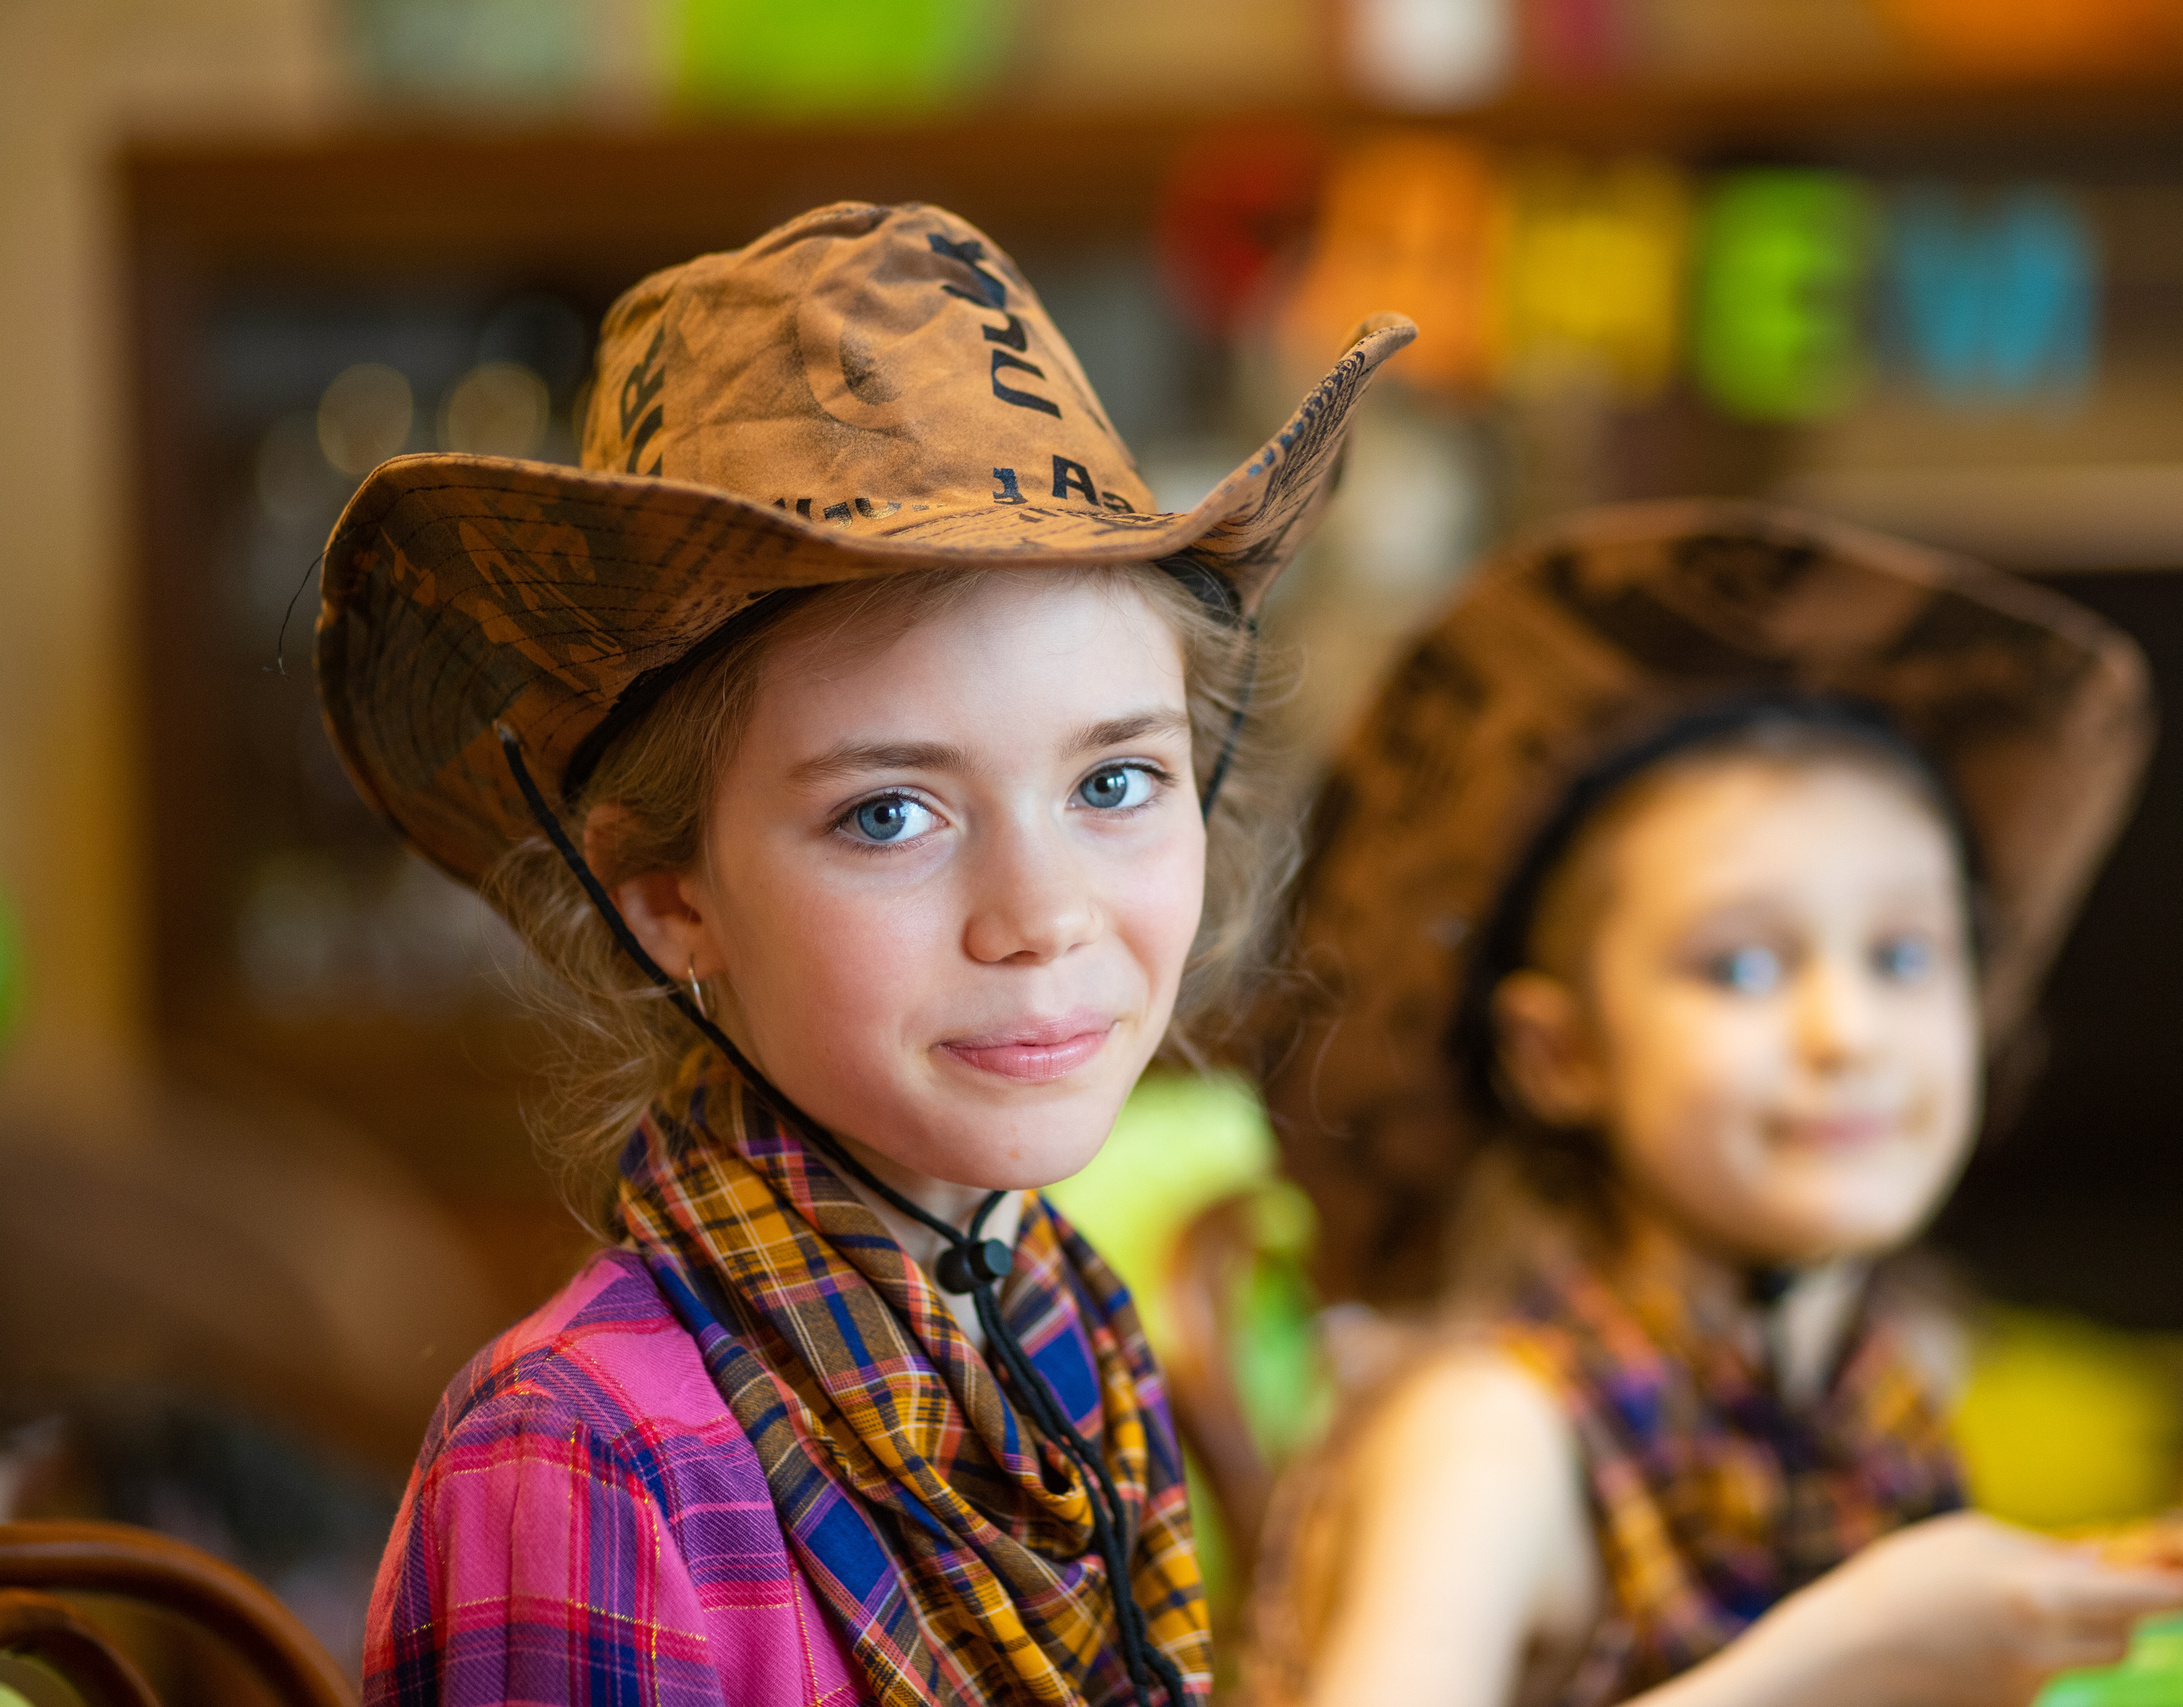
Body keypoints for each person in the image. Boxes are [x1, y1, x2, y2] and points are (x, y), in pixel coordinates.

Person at [313, 200, 1410, 1705]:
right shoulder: (581, 1454)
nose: (1040, 912)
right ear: (669, 894)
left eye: (1112, 784)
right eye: (890, 812)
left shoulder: (1061, 1323)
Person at [1244, 501, 2183, 1707]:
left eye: (1902, 957)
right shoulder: (1492, 1433)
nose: (1843, 1033)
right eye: (1741, 966)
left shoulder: (1876, 1391)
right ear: (1559, 1053)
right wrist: (1838, 1662)